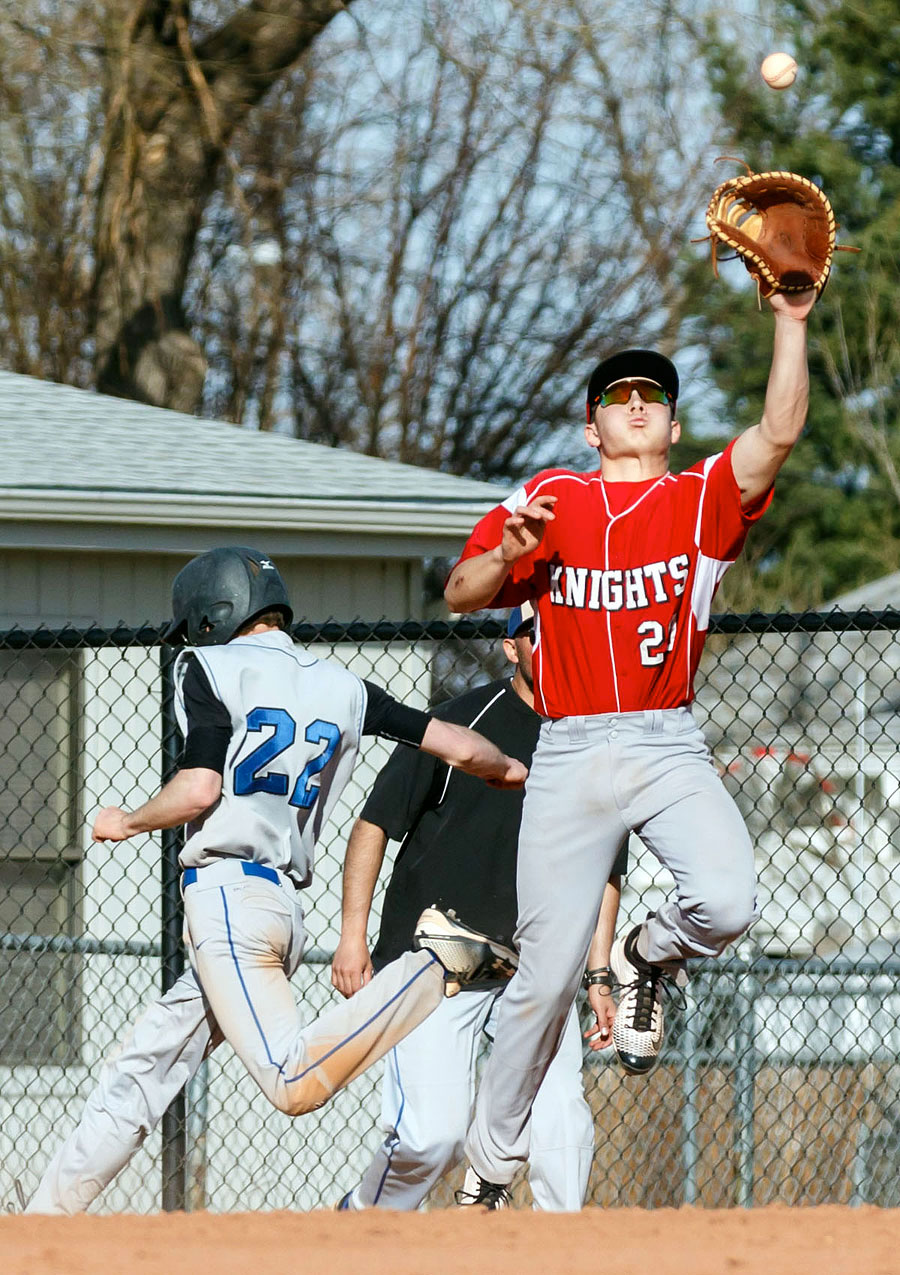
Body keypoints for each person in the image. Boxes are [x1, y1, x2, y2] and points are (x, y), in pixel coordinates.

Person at [443, 289, 818, 1207]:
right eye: (618, 395)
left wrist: (792, 320)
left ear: (674, 420)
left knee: (727, 900)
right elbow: (461, 589)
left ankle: (650, 955)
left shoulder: (699, 501)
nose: (636, 402)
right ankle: (490, 1168)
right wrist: (508, 555)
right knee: (544, 978)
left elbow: (777, 430)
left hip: (664, 740)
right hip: (567, 748)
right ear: (592, 425)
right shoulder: (549, 497)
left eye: (652, 393)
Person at [25, 546, 527, 1215]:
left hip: (229, 897)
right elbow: (461, 746)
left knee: (293, 1082)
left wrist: (129, 820)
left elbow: (198, 786)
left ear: (214, 614)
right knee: (143, 1070)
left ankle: (431, 968)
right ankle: (41, 1220)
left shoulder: (207, 664)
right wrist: (508, 770)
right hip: (281, 907)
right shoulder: (345, 686)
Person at [331, 602, 626, 1212]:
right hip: (436, 958)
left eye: (566, 632)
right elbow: (373, 825)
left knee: (561, 1127)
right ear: (511, 647)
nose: (553, 644)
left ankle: (558, 1257)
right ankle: (360, 1229)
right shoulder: (460, 721)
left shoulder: (595, 740)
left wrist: (598, 972)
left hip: (534, 969)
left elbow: (605, 869)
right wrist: (352, 935)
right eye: (535, 633)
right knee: (429, 1136)